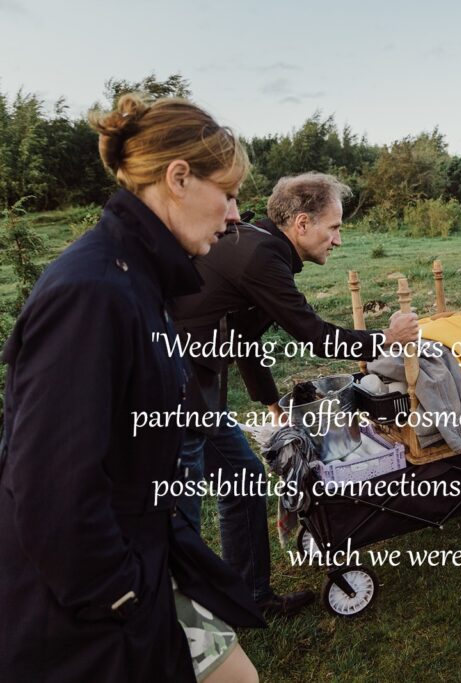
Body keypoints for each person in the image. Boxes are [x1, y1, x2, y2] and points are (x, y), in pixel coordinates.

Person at [0, 94, 263, 682]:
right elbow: (49, 487)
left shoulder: (137, 277)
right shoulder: (91, 292)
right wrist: (121, 598)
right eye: (226, 193)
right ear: (178, 178)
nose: (234, 214)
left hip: (143, 562)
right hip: (86, 607)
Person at [170, 172, 418, 616]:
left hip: (194, 388)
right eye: (334, 228)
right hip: (170, 390)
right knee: (177, 515)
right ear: (302, 224)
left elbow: (242, 335)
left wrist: (270, 403)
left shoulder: (257, 246)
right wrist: (387, 339)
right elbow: (316, 336)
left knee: (242, 479)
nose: (338, 240)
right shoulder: (261, 253)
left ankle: (250, 597)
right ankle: (177, 626)